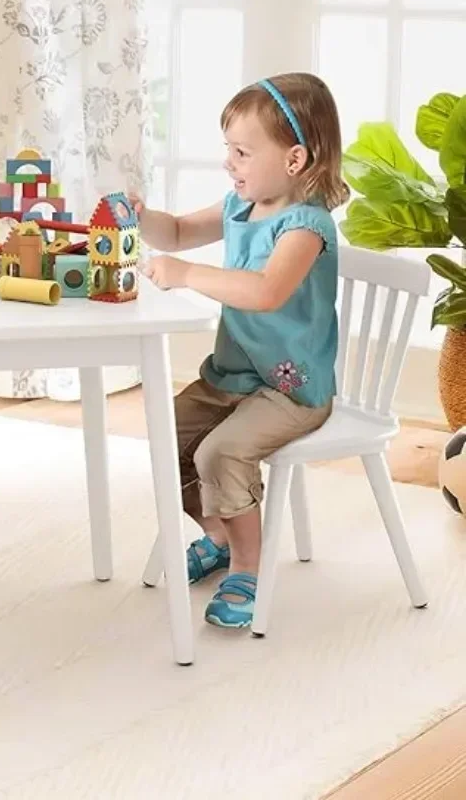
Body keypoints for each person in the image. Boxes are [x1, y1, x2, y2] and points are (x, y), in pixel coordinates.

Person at [135, 73, 349, 628]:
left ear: (295, 159)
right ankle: (219, 536)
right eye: (228, 149)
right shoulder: (239, 204)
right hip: (232, 377)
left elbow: (265, 292)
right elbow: (178, 231)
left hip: (291, 388)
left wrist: (187, 275)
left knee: (219, 454)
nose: (230, 163)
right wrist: (140, 217)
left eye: (242, 152)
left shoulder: (306, 226)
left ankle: (248, 572)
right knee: (167, 433)